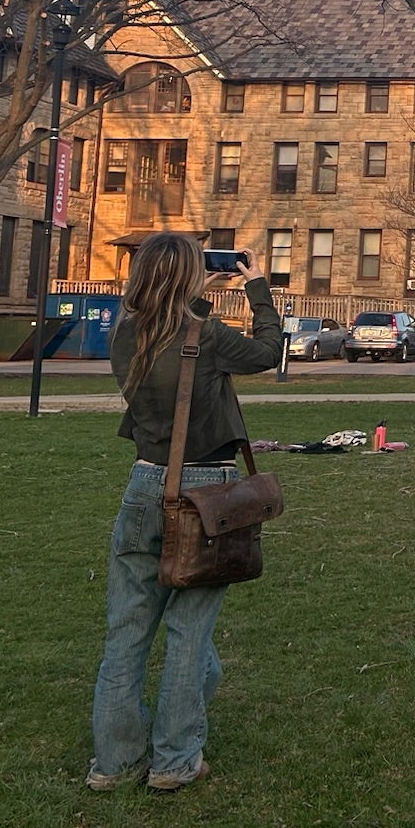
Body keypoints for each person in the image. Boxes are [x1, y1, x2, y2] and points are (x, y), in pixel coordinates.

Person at [89, 233, 281, 794]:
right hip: (204, 494)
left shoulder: (126, 334)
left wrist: (199, 295)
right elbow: (268, 351)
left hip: (144, 484)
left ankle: (114, 761)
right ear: (188, 277)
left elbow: (176, 330)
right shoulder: (209, 337)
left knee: (126, 631)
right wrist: (256, 288)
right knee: (189, 633)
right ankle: (174, 761)